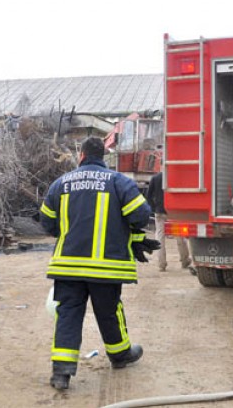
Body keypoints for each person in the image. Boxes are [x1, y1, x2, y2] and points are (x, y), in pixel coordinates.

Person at [40, 137, 152, 390]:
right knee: (109, 312)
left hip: (67, 267)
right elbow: (141, 215)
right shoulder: (119, 182)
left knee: (68, 314)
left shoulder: (61, 183)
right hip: (107, 267)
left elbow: (46, 222)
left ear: (81, 155)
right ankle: (120, 355)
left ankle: (61, 373)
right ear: (103, 156)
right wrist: (128, 233)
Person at [146, 171, 191, 272]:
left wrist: (154, 208)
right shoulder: (175, 177)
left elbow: (148, 197)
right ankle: (185, 260)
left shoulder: (155, 178)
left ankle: (161, 264)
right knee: (179, 236)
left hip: (159, 212)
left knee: (160, 237)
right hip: (173, 212)